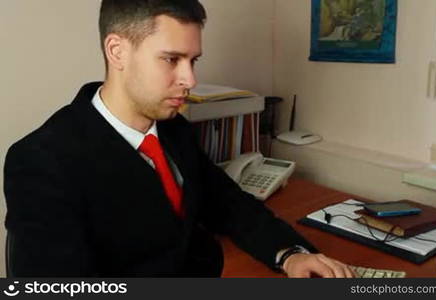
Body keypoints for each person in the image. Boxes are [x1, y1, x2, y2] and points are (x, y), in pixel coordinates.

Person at [4, 0, 354, 278]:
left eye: (193, 60)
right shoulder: (40, 160)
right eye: (171, 59)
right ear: (117, 51)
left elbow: (228, 203)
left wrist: (290, 254)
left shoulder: (174, 128)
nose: (189, 79)